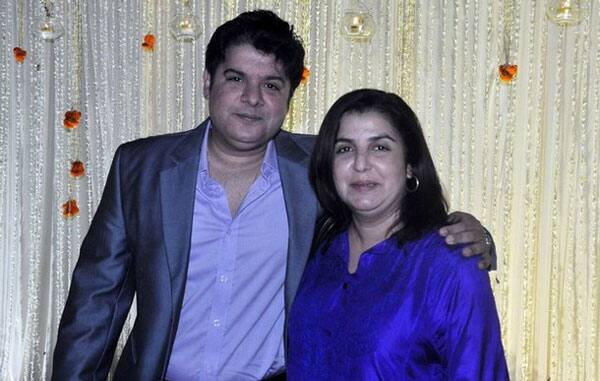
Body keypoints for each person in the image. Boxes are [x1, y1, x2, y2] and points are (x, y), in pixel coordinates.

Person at [52, 11, 495, 381]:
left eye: (271, 84)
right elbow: (97, 302)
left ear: (289, 97)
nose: (252, 98)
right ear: (208, 81)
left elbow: (388, 210)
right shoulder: (141, 167)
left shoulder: (321, 170)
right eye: (236, 78)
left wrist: (476, 235)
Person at [287, 89, 508, 380]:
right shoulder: (317, 248)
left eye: (380, 147)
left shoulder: (451, 265)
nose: (361, 163)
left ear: (409, 165)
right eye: (344, 149)